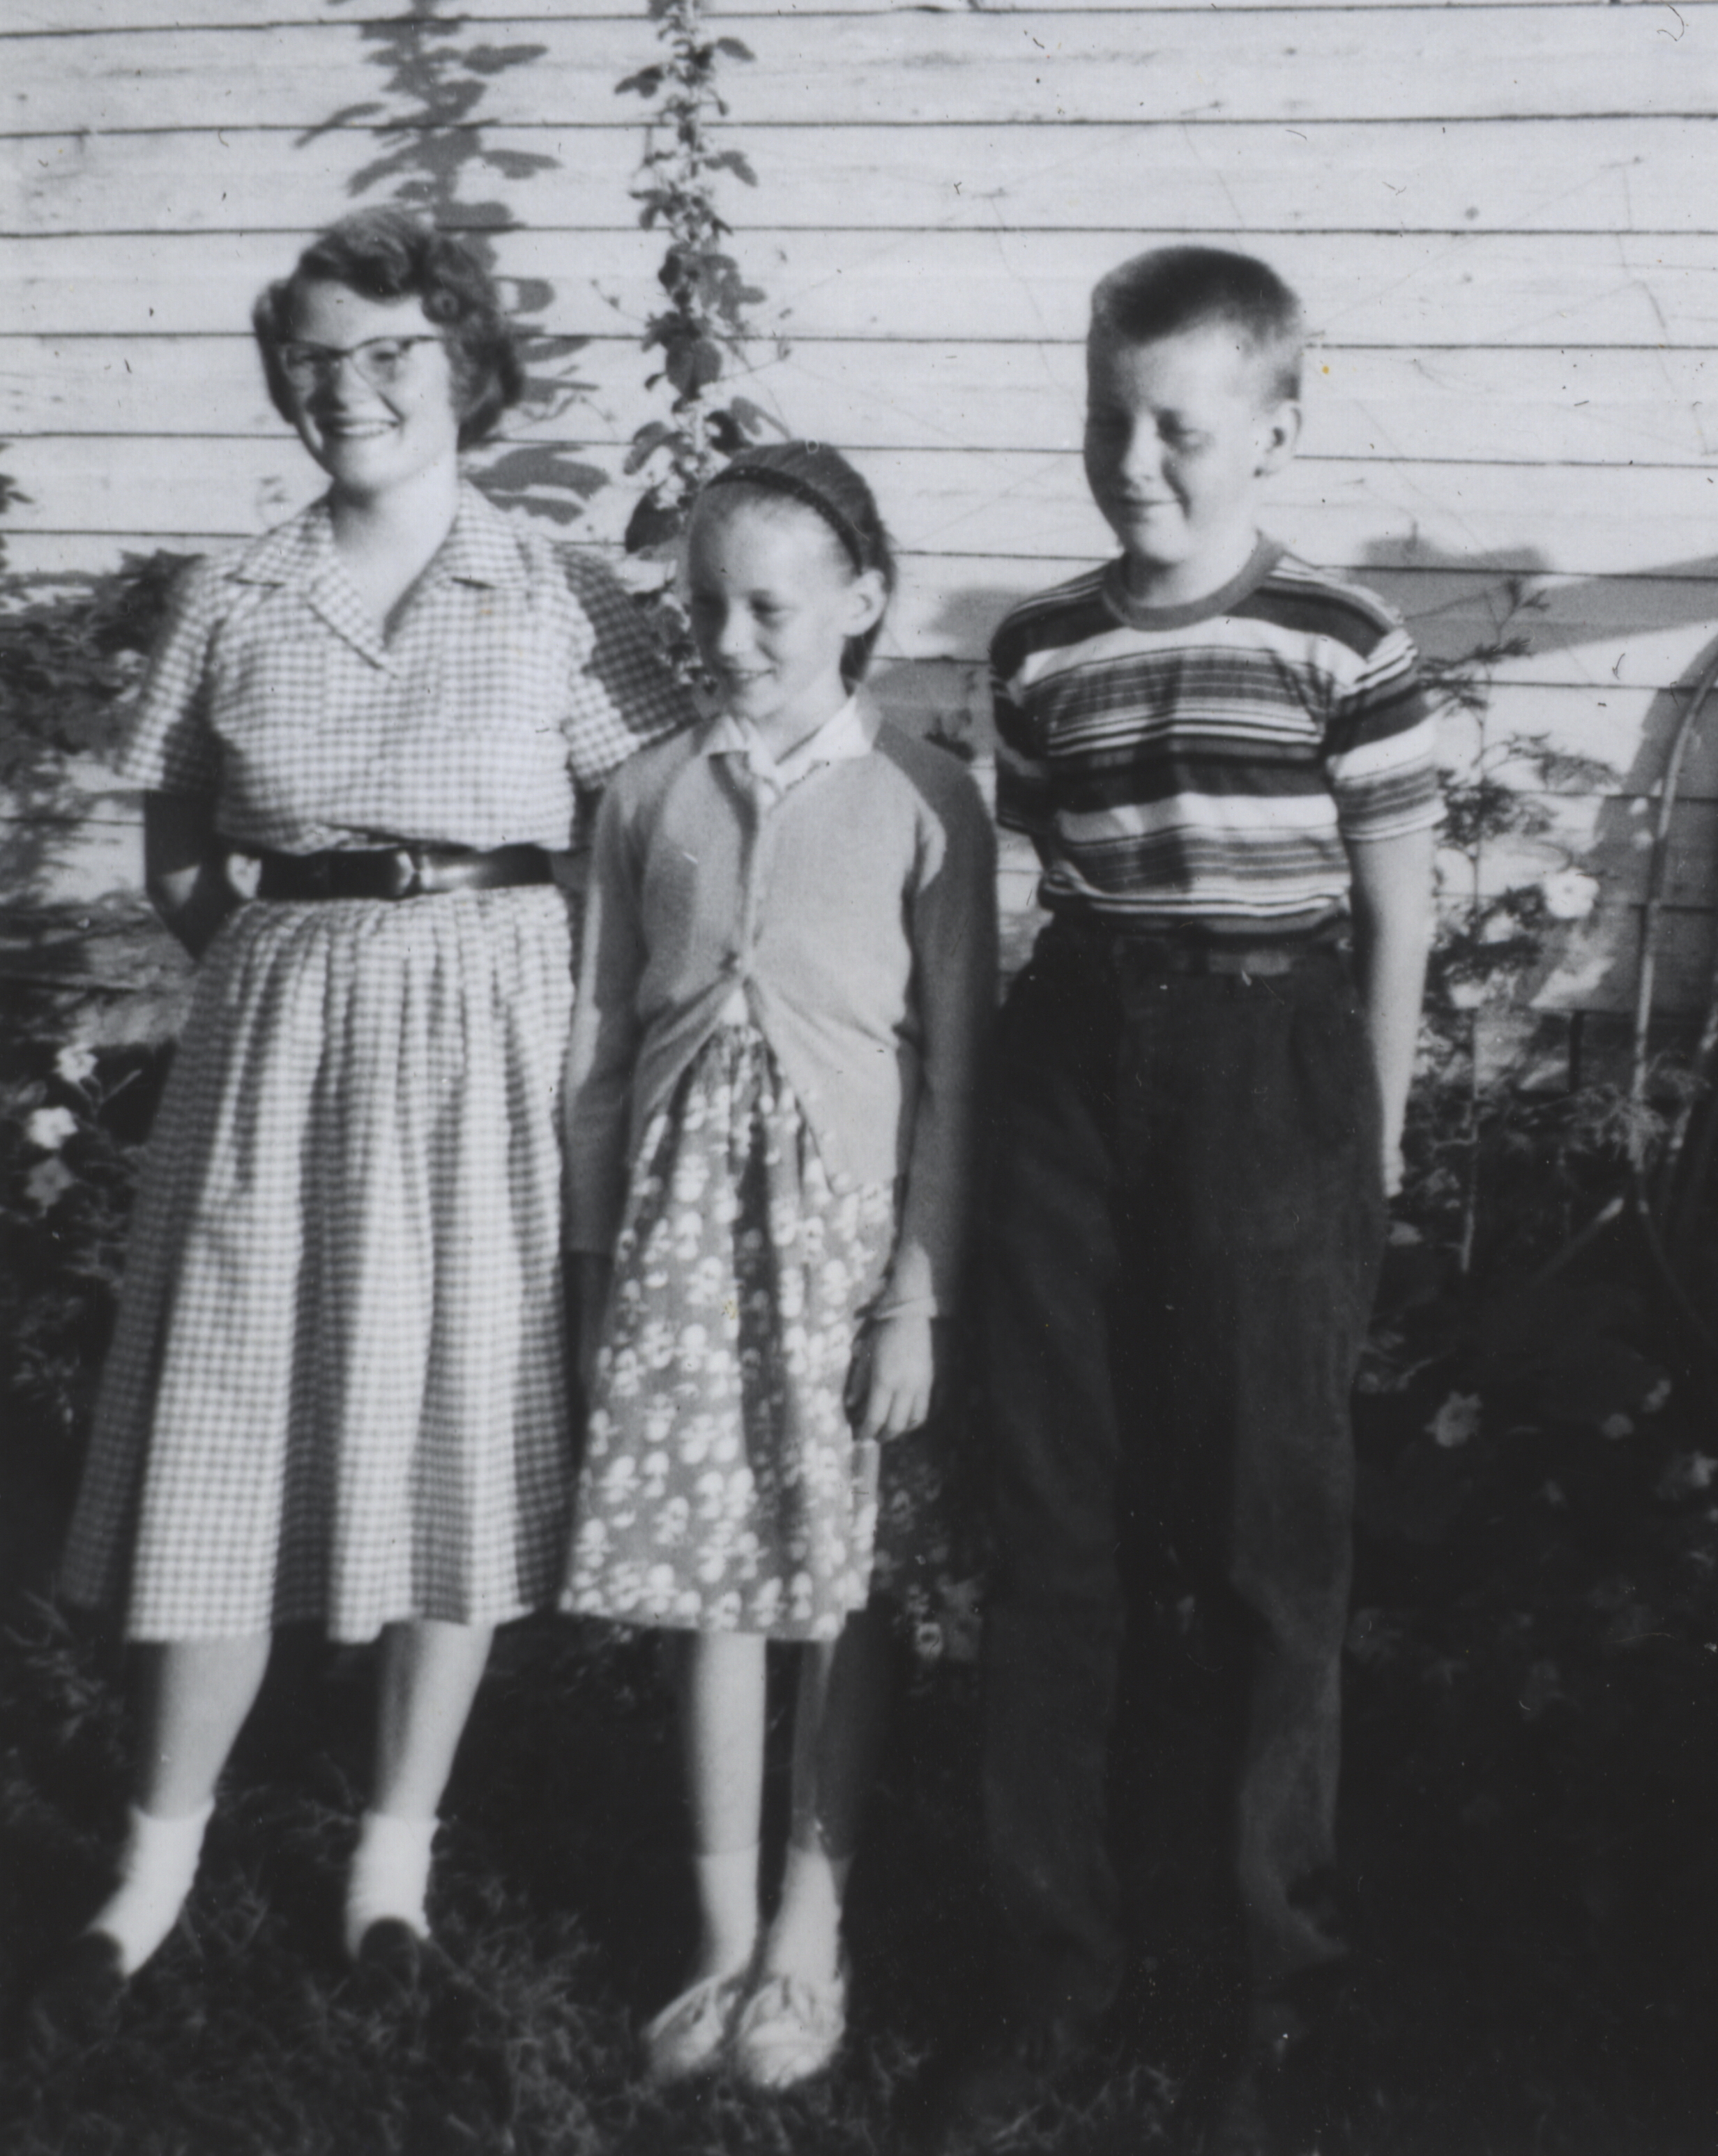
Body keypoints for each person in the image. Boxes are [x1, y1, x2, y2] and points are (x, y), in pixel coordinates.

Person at [38, 208, 692, 2028]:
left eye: (390, 350)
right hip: (279, 1045)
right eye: (316, 362)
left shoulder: (568, 591)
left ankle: (391, 1854)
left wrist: (572, 1022)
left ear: (464, 365)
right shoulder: (236, 595)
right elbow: (175, 829)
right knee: (226, 1428)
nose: (353, 390)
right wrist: (268, 968)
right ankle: (149, 1866)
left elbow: (644, 836)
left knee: (456, 1435)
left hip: (495, 1053)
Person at [950, 248, 1439, 2151]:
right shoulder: (1038, 649)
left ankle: (1279, 1984)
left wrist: (1368, 1146)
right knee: (1057, 1539)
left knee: (1260, 1543)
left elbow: (1394, 909)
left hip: (1272, 1070)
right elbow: (1023, 901)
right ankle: (1054, 1972)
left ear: (1272, 427)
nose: (1135, 460)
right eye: (1108, 418)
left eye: (1178, 423)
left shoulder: (1340, 636)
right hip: (1078, 1070)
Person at [560, 442, 996, 2091]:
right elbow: (600, 1048)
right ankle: (718, 1931)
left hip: (845, 1246)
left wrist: (916, 1291)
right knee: (706, 1585)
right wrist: (598, 1263)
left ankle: (812, 1922)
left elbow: (960, 1065)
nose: (732, 636)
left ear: (861, 604)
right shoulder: (647, 796)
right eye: (704, 604)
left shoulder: (920, 798)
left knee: (831, 1582)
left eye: (768, 605)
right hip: (680, 1241)